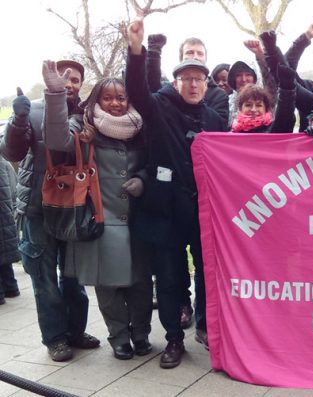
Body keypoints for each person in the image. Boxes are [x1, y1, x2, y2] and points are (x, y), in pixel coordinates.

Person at [126, 15, 226, 368]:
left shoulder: (214, 119)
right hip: (164, 213)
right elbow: (136, 89)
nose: (194, 85)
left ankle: (210, 329)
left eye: (200, 79)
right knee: (168, 279)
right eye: (187, 78)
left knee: (208, 276)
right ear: (176, 80)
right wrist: (136, 50)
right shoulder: (159, 107)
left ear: (206, 83)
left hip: (203, 213)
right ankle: (173, 339)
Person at [42, 61, 153, 361]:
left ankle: (141, 333)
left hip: (139, 222)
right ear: (97, 100)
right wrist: (55, 95)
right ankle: (119, 337)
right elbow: (56, 139)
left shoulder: (142, 126)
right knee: (109, 286)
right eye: (108, 98)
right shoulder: (84, 125)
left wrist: (143, 179)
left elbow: (154, 162)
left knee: (142, 283)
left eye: (121, 98)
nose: (115, 103)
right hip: (104, 221)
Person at [0, 61, 100, 361]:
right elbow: (12, 152)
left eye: (75, 79)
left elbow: (70, 146)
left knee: (72, 276)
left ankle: (75, 330)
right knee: (43, 277)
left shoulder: (85, 114)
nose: (70, 83)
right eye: (64, 77)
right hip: (36, 208)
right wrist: (17, 122)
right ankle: (54, 338)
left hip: (73, 207)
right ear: (52, 78)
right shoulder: (32, 109)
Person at [230, 64, 295, 134]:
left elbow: (285, 116)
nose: (253, 110)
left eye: (258, 105)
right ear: (240, 108)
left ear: (266, 109)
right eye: (248, 105)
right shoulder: (231, 133)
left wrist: (287, 88)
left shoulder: (274, 130)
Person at [0, 156, 20, 305]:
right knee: (4, 251)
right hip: (5, 213)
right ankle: (11, 287)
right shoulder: (4, 163)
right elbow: (14, 189)